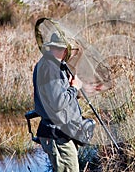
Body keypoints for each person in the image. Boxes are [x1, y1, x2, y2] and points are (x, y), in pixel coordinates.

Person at [33, 31, 87, 172]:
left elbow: (55, 97)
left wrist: (70, 87)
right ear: (65, 49)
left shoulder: (50, 64)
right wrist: (74, 88)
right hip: (58, 136)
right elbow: (58, 103)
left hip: (59, 134)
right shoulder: (51, 68)